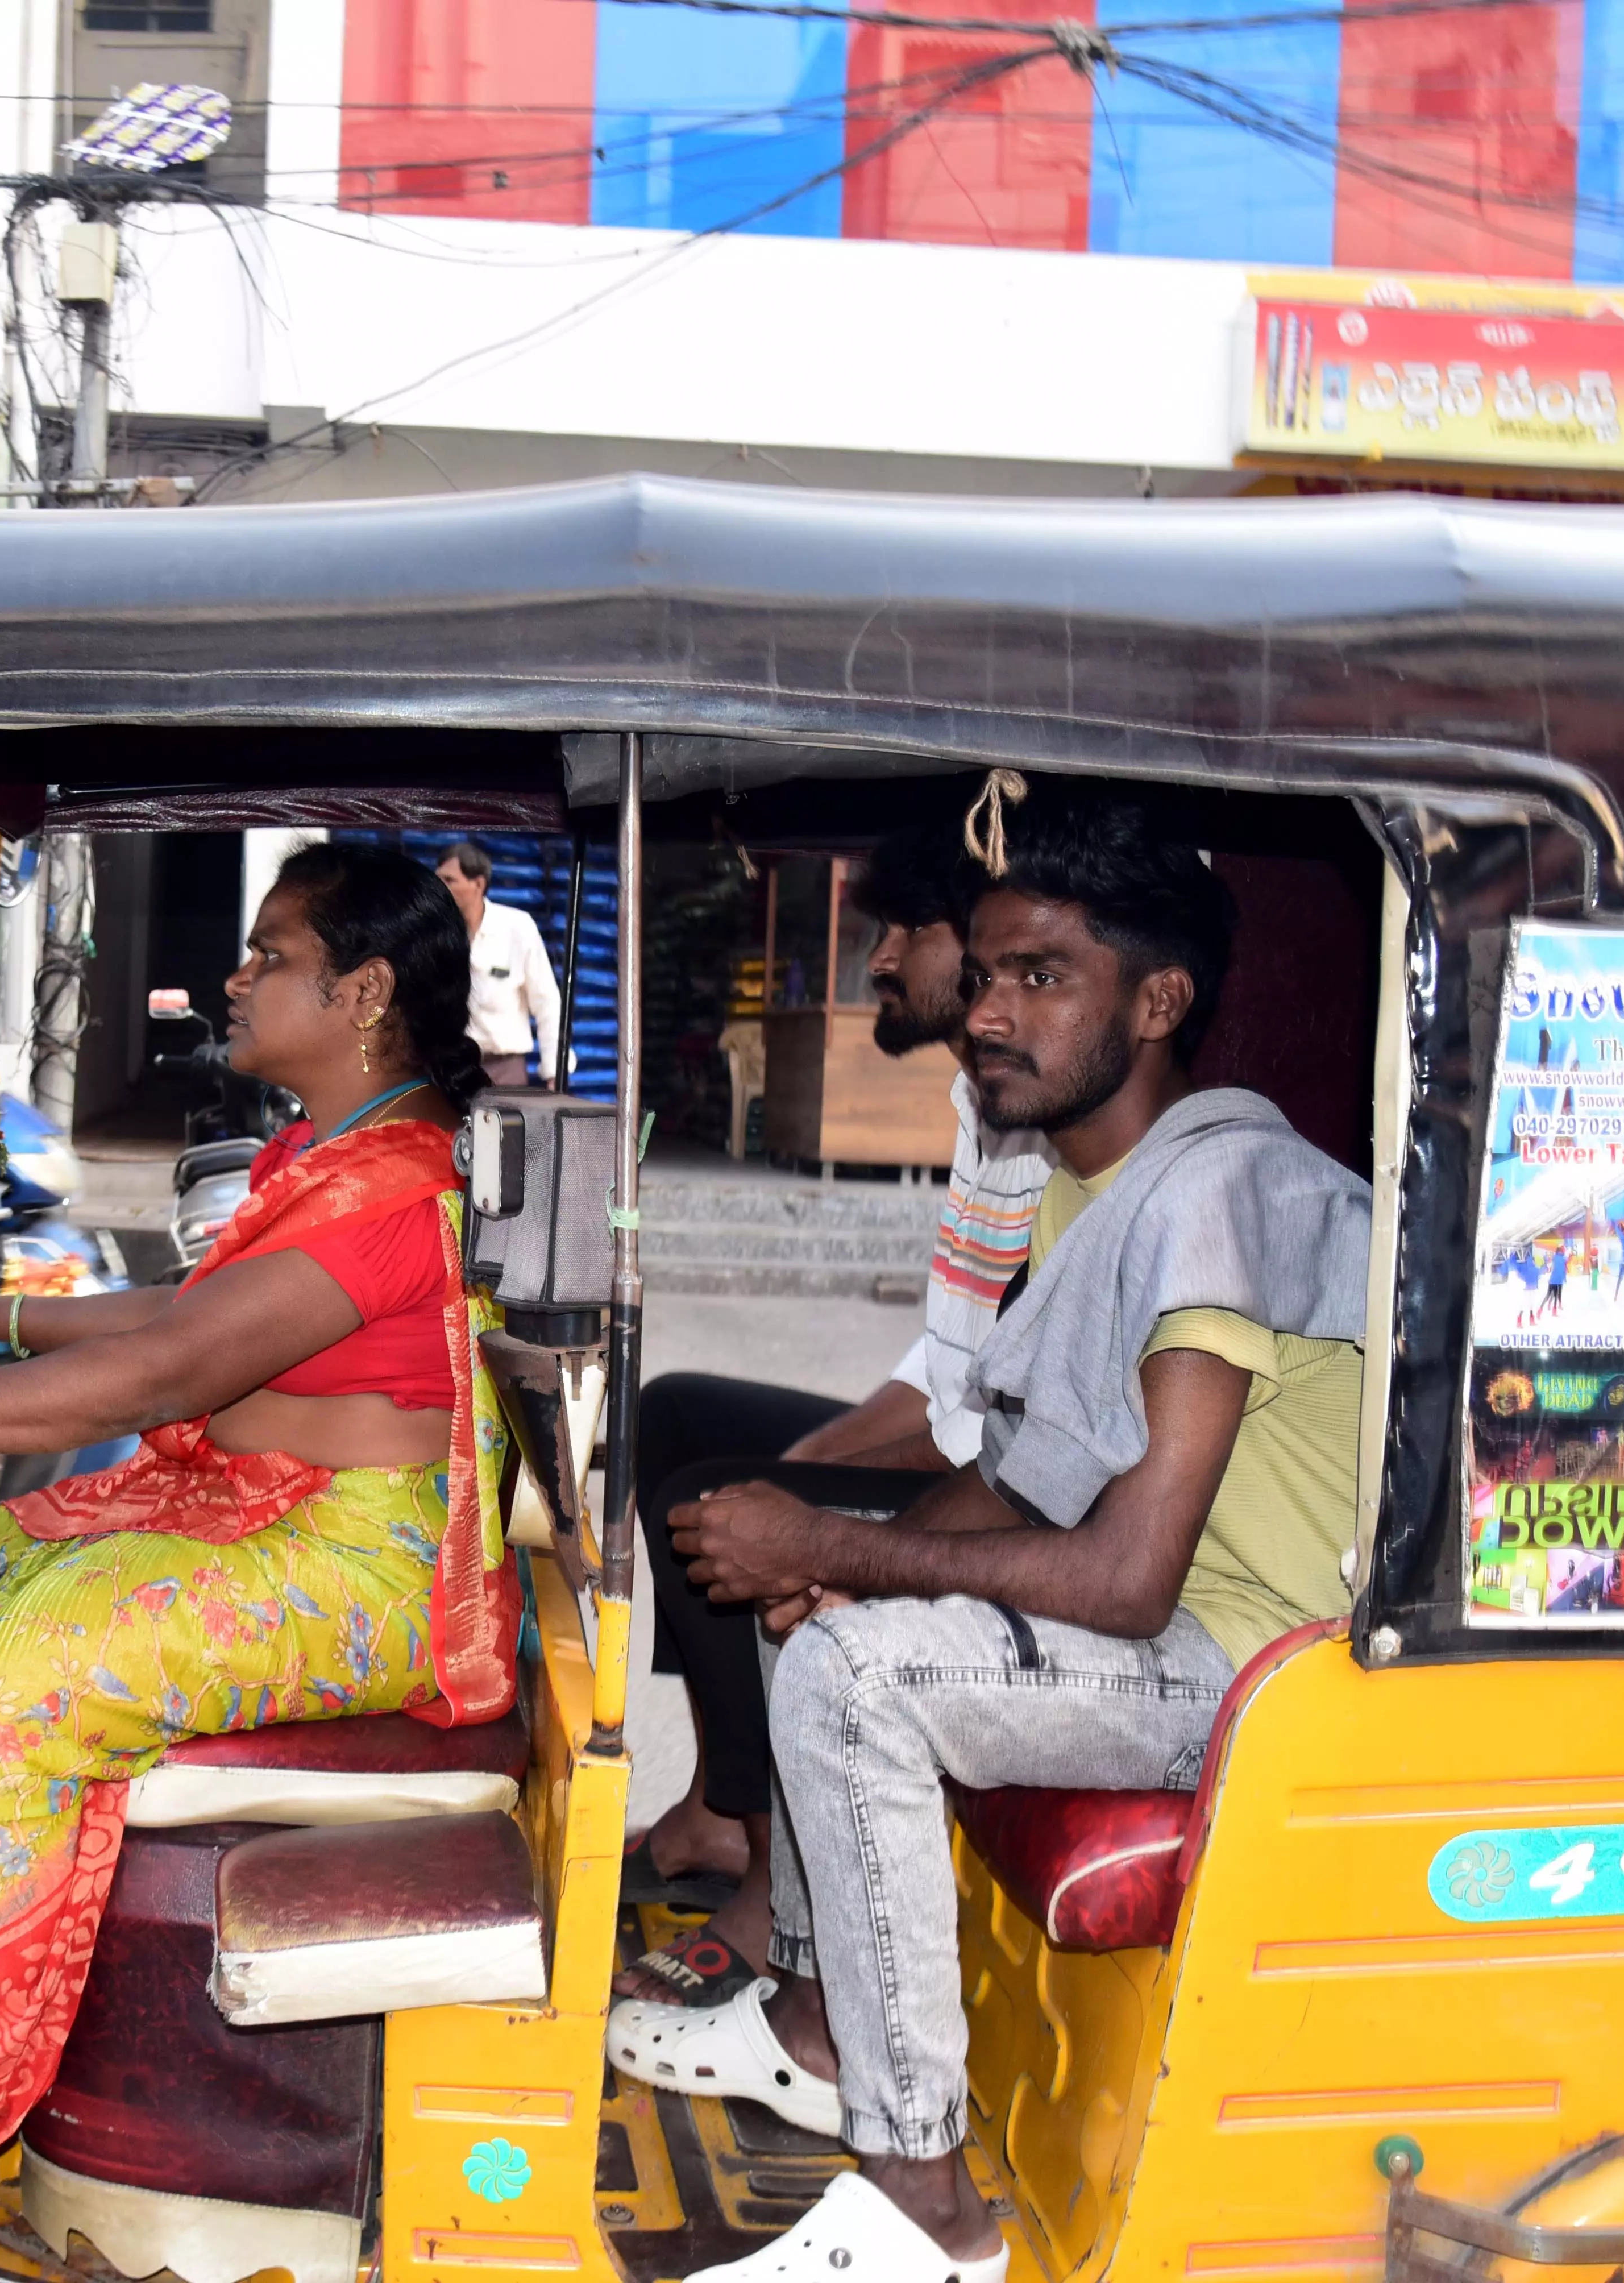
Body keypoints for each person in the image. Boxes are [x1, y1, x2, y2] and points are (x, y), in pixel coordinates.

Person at [0, 844, 516, 2282]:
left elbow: (155, 1378)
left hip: (352, 1571)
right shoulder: (328, 1149)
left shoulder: (392, 1184)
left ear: (365, 990)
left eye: (269, 955)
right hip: (265, 1515)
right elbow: (186, 1314)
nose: (236, 974)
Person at [609, 791, 1368, 2283]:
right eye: (994, 974)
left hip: (1267, 1675)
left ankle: (923, 2211)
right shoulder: (1111, 1191)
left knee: (861, 1673)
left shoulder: (1215, 1182)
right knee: (829, 1623)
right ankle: (820, 2029)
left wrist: (841, 1556)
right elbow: (1020, 1483)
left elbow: (1130, 1577)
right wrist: (824, 1553)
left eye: (1046, 979)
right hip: (1193, 1641)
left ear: (1159, 1002)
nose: (990, 1012)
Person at [617, 826, 1050, 2012]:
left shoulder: (1040, 1123)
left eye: (903, 933)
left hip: (1021, 1498)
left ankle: (770, 1882)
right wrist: (804, 1461)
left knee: (717, 1502)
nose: (877, 962)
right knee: (680, 1418)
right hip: (970, 1439)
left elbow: (982, 1427)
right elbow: (940, 1365)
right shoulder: (981, 1103)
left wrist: (795, 1488)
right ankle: (717, 1803)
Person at [435, 841, 564, 1089]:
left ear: (479, 884)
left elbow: (547, 1002)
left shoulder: (517, 927)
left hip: (505, 1072)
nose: (441, 888)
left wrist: (554, 1073)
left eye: (450, 880)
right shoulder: (436, 934)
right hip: (451, 1072)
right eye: (438, 879)